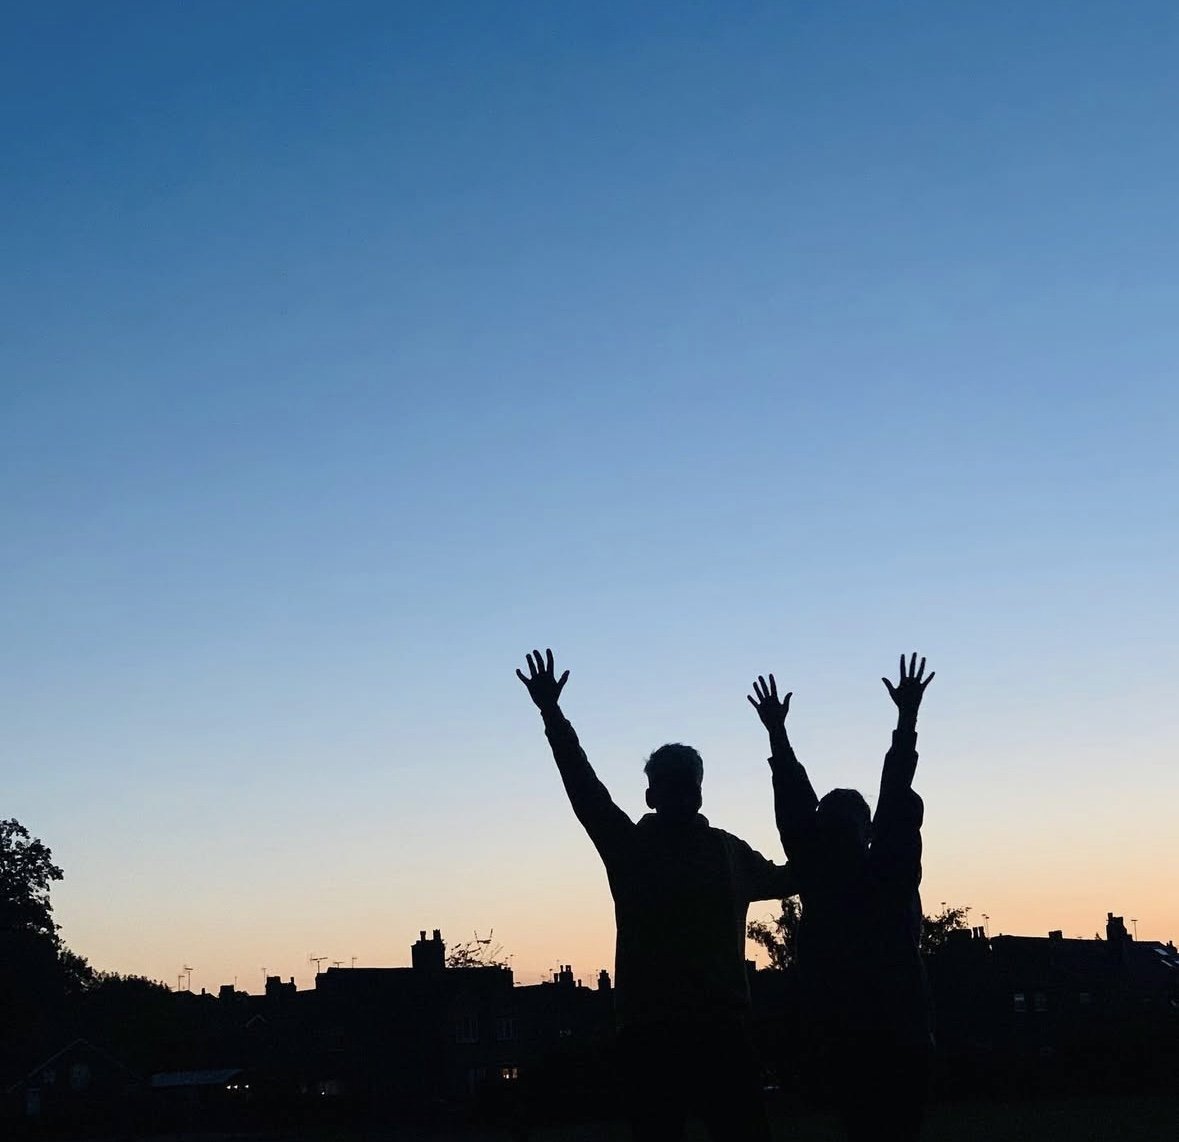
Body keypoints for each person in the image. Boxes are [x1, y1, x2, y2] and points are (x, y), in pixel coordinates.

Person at [516, 648, 794, 1141]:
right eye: (672, 786)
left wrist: (780, 742)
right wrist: (552, 715)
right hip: (660, 1032)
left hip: (712, 1029)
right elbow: (584, 789)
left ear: (699, 792)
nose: (682, 795)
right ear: (652, 795)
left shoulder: (725, 851)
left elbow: (794, 877)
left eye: (688, 786)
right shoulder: (635, 848)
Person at [747, 654, 935, 1142]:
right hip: (881, 1030)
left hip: (873, 1031)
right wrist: (906, 720)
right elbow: (886, 799)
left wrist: (779, 737)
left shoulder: (866, 873)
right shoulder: (873, 870)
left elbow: (802, 810)